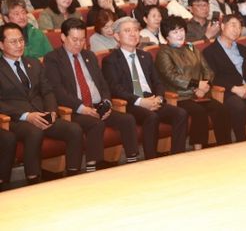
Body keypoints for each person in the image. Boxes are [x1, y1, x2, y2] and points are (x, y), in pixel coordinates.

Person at [44, 18, 138, 172]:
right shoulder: (53, 59)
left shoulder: (89, 56)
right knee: (96, 124)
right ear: (63, 37)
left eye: (82, 40)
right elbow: (58, 91)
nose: (79, 44)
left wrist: (106, 103)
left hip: (96, 106)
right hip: (74, 110)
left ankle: (133, 162)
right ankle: (92, 166)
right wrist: (82, 108)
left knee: (127, 119)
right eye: (74, 39)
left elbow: (103, 84)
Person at [0, 22, 83, 183]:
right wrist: (26, 116)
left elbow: (47, 91)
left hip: (42, 114)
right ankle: (33, 179)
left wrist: (52, 111)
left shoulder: (34, 63)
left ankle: (73, 175)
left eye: (21, 40)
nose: (19, 45)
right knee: (34, 132)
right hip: (15, 119)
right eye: (13, 42)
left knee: (74, 129)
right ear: (1, 45)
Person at [102, 17, 188, 159]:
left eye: (136, 30)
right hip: (130, 103)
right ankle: (151, 159)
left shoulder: (145, 56)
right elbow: (115, 88)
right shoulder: (110, 60)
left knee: (180, 113)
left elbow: (157, 82)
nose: (133, 34)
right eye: (127, 31)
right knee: (151, 117)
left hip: (151, 98)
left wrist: (159, 98)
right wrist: (141, 102)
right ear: (117, 36)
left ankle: (177, 157)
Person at [155, 16, 231, 149]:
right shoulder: (163, 52)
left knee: (222, 110)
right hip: (179, 96)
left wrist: (205, 86)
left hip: (200, 94)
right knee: (199, 112)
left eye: (181, 30)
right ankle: (198, 149)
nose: (180, 34)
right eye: (175, 32)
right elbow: (172, 76)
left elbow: (207, 69)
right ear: (167, 36)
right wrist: (196, 84)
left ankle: (225, 147)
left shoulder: (191, 47)